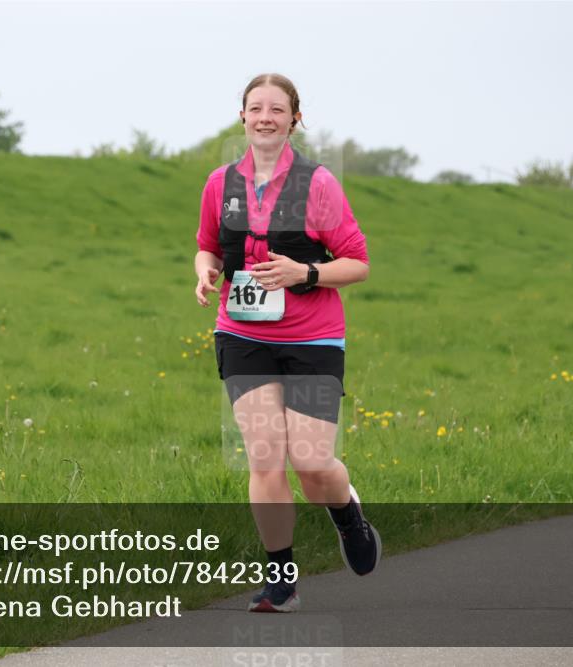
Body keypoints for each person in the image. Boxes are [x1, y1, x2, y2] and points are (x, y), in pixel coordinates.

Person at [193, 73, 381, 613]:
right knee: (266, 459)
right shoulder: (220, 183)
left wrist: (306, 273)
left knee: (312, 463)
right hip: (242, 334)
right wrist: (205, 273)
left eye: (278, 109)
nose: (266, 117)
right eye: (256, 108)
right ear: (243, 117)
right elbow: (207, 247)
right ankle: (282, 581)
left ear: (295, 118)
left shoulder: (318, 184)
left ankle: (347, 514)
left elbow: (358, 263)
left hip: (313, 339)